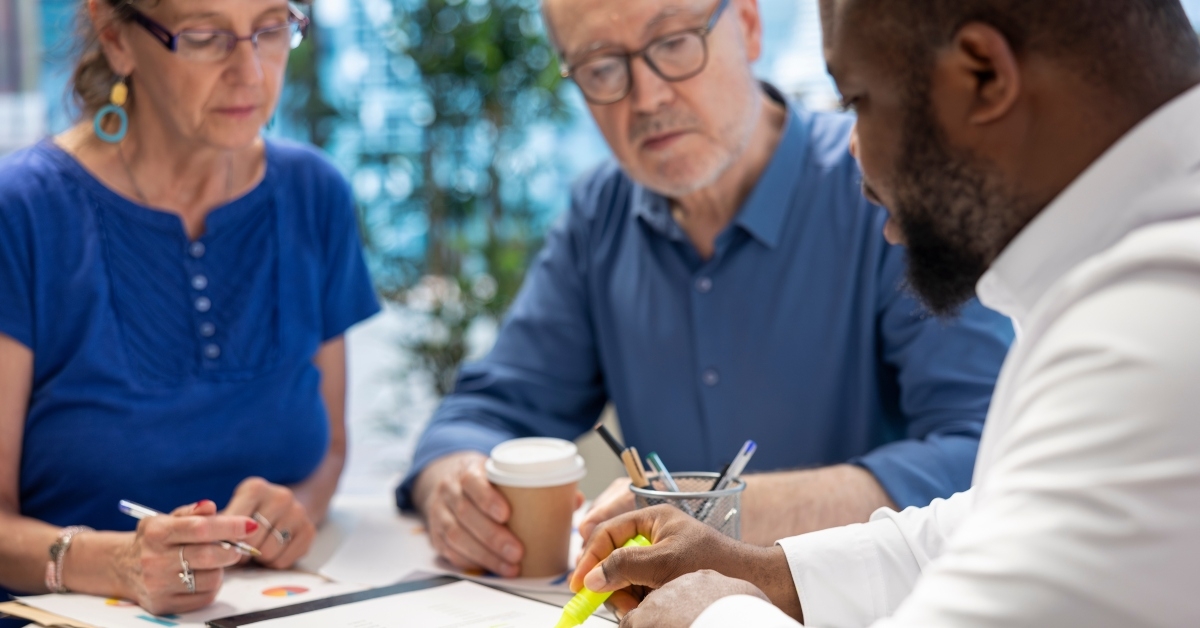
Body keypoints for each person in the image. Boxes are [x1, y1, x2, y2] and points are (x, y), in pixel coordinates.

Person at [569, 0, 1200, 625]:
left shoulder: (1156, 325)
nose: (855, 155)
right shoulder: (1129, 281)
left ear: (983, 75)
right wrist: (758, 572)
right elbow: (990, 524)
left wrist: (716, 616)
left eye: (858, 102)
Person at [397, 0, 1014, 579]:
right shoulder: (600, 215)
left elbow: (985, 455)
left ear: (748, 24)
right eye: (602, 67)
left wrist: (716, 512)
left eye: (674, 43)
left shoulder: (883, 190)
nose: (647, 97)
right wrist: (456, 486)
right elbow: (486, 411)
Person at [0, 0, 379, 620]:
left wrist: (296, 511)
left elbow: (330, 451)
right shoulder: (22, 211)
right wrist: (118, 562)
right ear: (115, 37)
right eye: (204, 36)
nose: (250, 72)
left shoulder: (315, 194)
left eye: (271, 28)